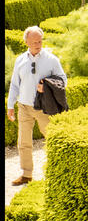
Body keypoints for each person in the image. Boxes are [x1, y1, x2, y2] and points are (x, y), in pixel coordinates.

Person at [6, 26, 67, 186]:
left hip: (44, 107)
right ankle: (26, 174)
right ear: (26, 42)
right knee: (24, 142)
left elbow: (63, 80)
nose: (38, 44)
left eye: (39, 41)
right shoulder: (20, 60)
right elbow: (14, 84)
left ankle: (58, 172)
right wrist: (10, 105)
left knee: (53, 139)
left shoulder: (51, 59)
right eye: (34, 42)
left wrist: (47, 86)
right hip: (24, 107)